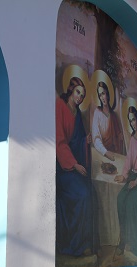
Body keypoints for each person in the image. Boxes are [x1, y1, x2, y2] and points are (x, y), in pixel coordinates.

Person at [55, 76, 94, 256]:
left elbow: (76, 141)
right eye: (78, 92)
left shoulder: (77, 113)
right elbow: (60, 142)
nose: (79, 97)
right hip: (61, 166)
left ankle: (81, 243)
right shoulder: (60, 106)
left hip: (73, 164)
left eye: (82, 95)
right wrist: (74, 165)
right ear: (71, 89)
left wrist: (85, 141)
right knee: (83, 194)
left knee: (90, 192)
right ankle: (74, 245)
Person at [114, 106, 137, 259]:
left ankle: (132, 243)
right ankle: (123, 240)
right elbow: (129, 160)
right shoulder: (132, 139)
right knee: (120, 199)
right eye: (130, 121)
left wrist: (136, 182)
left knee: (130, 203)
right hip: (131, 177)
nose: (132, 123)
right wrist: (124, 176)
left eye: (134, 120)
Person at [90, 81, 126, 160]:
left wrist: (121, 137)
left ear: (108, 94)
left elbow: (119, 138)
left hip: (114, 154)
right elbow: (96, 138)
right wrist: (105, 152)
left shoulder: (113, 116)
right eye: (100, 95)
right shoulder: (97, 112)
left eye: (103, 93)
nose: (102, 97)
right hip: (102, 153)